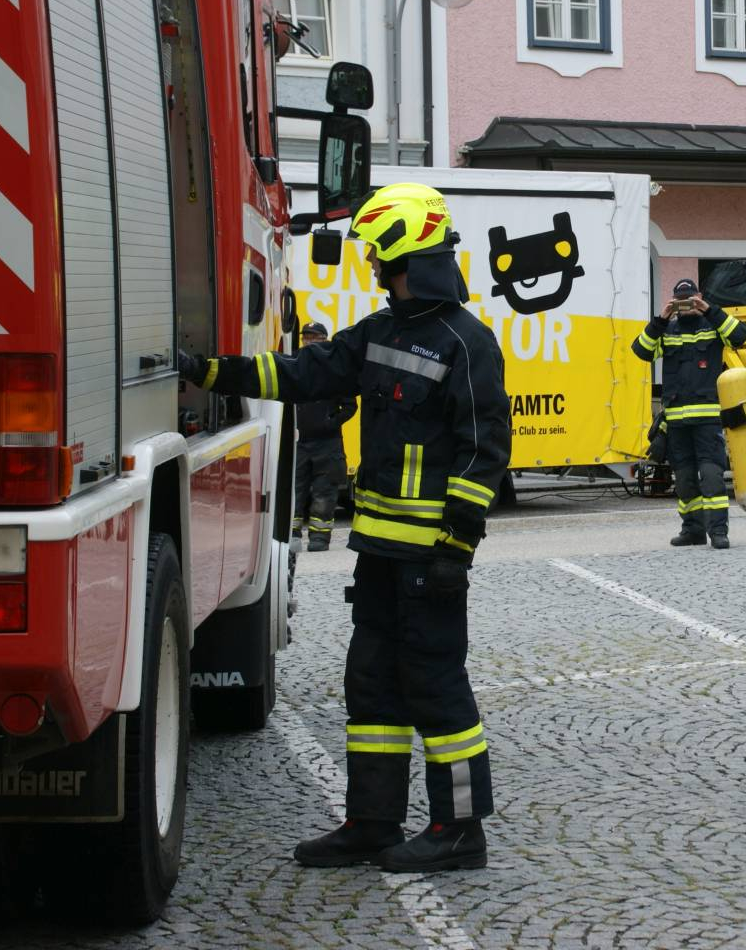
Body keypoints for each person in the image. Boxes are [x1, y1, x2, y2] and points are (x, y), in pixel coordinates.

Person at [179, 183, 511, 871]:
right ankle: (373, 823)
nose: (372, 264)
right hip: (381, 555)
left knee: (436, 689)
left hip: (430, 560)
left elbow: (484, 451)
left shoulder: (467, 343)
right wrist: (211, 372)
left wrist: (456, 548)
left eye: (376, 253)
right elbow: (305, 373)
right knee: (372, 685)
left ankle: (460, 830)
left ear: (403, 252)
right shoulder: (380, 332)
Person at [630, 277, 746, 549]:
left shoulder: (713, 324)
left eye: (691, 299)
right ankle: (693, 530)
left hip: (707, 420)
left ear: (699, 297)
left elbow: (740, 336)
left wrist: (709, 310)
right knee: (684, 481)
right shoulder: (667, 330)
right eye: (681, 300)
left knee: (711, 477)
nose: (686, 304)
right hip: (676, 423)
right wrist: (661, 319)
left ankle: (718, 531)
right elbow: (641, 350)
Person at [291, 321, 357, 553]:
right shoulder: (295, 363)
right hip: (299, 442)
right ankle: (292, 535)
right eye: (306, 337)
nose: (309, 342)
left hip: (328, 444)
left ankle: (319, 538)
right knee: (294, 490)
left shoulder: (335, 368)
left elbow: (350, 406)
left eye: (314, 337)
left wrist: (329, 422)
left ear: (324, 340)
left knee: (324, 492)